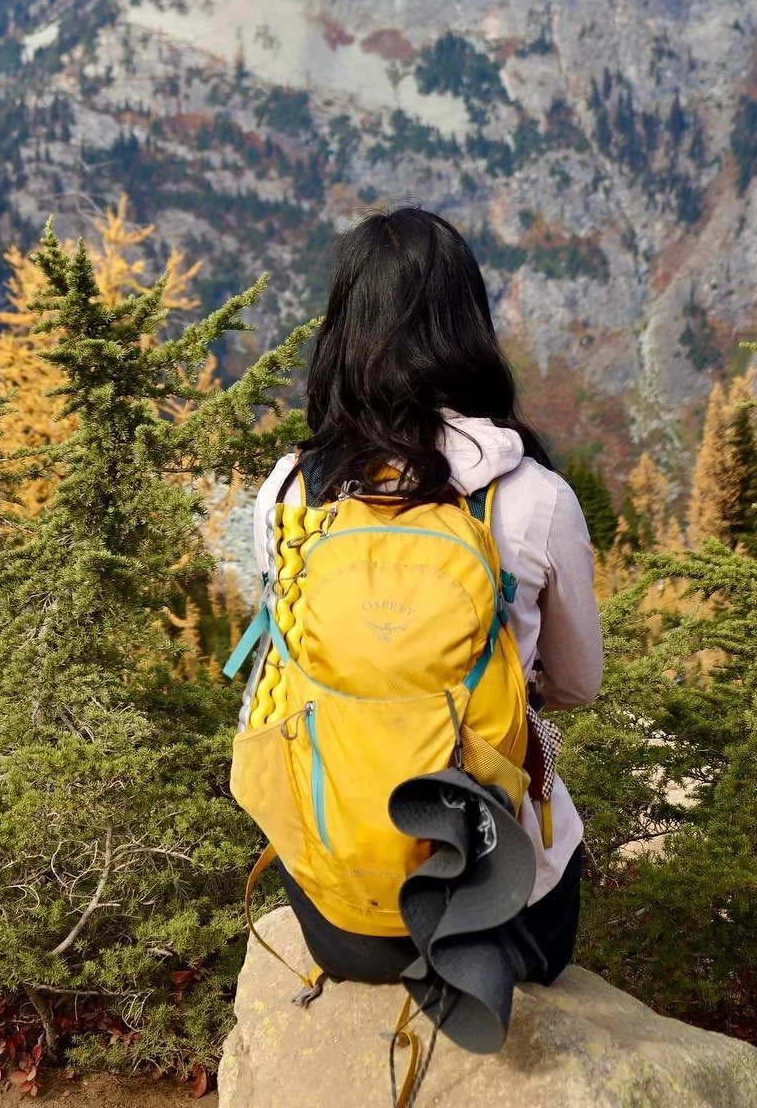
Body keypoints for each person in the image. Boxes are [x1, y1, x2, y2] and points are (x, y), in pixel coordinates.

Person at [252, 205, 604, 994]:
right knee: (551, 829)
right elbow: (579, 685)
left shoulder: (288, 493)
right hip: (501, 918)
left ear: (342, 331)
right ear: (467, 328)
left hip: (337, 917)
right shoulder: (533, 496)